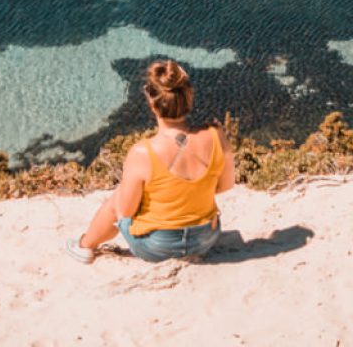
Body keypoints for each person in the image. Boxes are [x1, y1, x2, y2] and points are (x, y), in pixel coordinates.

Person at [65, 59, 235, 264]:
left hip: (157, 246)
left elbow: (126, 211)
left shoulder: (142, 152)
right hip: (206, 238)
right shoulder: (217, 135)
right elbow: (226, 185)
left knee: (118, 198)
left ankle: (85, 246)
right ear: (188, 97)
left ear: (152, 103)